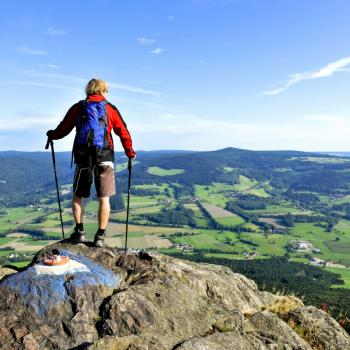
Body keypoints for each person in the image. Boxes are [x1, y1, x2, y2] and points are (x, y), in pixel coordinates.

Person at [46, 78, 136, 247]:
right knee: (104, 198)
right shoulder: (110, 108)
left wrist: (52, 135)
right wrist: (130, 152)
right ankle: (100, 237)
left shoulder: (79, 107)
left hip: (83, 158)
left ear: (88, 90)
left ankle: (79, 232)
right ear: (102, 91)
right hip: (105, 157)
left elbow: (63, 128)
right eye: (106, 90)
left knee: (78, 195)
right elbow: (123, 131)